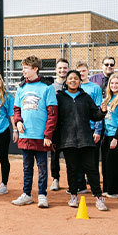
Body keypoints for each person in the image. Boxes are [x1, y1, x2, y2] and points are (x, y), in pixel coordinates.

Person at [54, 70, 109, 211]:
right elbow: (55, 120)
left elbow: (95, 115)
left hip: (85, 139)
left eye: (76, 78)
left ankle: (98, 197)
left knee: (91, 169)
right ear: (66, 81)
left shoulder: (85, 97)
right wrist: (54, 139)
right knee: (72, 169)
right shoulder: (59, 97)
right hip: (68, 140)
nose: (73, 80)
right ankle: (73, 195)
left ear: (80, 81)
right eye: (70, 78)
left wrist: (102, 111)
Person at [11, 56, 58, 208]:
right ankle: (27, 194)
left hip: (41, 136)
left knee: (42, 167)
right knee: (26, 167)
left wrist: (48, 135)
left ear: (35, 69)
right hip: (26, 135)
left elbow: (52, 113)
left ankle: (42, 195)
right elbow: (17, 108)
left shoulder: (47, 87)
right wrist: (18, 121)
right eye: (23, 68)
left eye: (26, 68)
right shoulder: (21, 87)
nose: (23, 71)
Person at [74, 61, 104, 194]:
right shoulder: (72, 87)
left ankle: (94, 187)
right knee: (78, 159)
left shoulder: (95, 87)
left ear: (88, 72)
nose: (81, 73)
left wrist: (98, 130)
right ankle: (81, 186)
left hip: (91, 129)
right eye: (79, 71)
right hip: (77, 130)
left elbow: (98, 109)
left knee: (91, 160)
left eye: (84, 71)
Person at [49, 58, 68, 191]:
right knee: (54, 155)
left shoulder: (73, 84)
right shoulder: (50, 87)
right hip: (55, 127)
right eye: (60, 68)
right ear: (56, 70)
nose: (62, 70)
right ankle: (55, 179)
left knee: (71, 156)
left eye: (65, 68)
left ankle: (75, 180)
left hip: (69, 126)